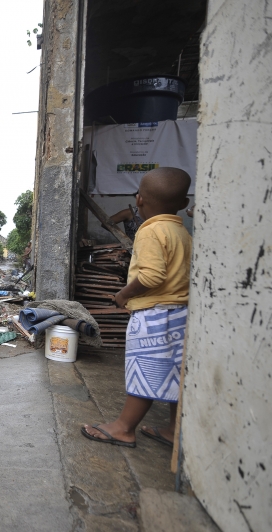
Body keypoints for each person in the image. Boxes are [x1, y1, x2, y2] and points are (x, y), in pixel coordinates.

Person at [82, 167, 192, 448]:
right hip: (181, 313)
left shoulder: (150, 231)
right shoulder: (182, 232)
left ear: (139, 200)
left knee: (146, 370)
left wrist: (122, 294)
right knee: (175, 374)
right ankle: (174, 430)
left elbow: (152, 276)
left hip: (155, 313)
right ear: (183, 203)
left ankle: (124, 428)